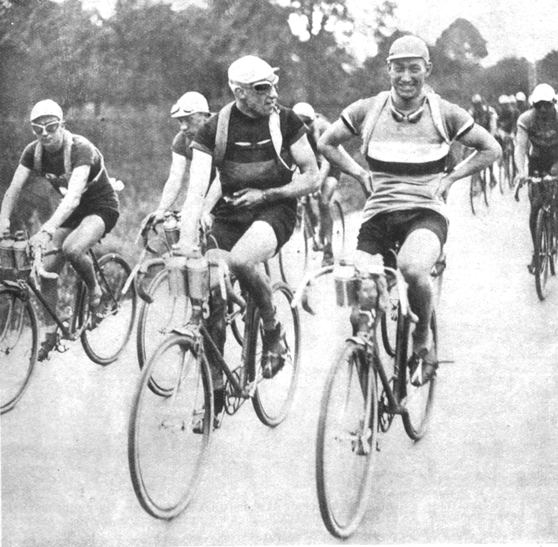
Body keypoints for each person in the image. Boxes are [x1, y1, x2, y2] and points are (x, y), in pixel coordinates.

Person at [318, 35, 501, 386]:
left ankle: (422, 341)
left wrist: (450, 179)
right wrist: (357, 172)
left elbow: (490, 148)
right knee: (362, 296)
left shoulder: (444, 112)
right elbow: (327, 141)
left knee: (413, 268)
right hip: (379, 214)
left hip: (425, 212)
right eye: (398, 68)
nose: (406, 77)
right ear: (388, 69)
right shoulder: (368, 109)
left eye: (414, 69)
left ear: (427, 70)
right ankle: (368, 377)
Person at [178, 55, 318, 427]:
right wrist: (186, 241)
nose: (273, 93)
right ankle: (217, 388)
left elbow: (311, 177)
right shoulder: (215, 129)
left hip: (276, 210)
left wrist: (267, 195)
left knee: (240, 261)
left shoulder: (285, 120)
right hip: (231, 215)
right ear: (238, 92)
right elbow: (195, 193)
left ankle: (272, 329)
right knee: (210, 294)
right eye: (262, 88)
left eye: (273, 84)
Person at [0, 99, 120, 360]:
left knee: (73, 249)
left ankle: (96, 291)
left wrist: (47, 228)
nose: (45, 134)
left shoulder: (80, 148)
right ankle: (51, 332)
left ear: (62, 125)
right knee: (45, 267)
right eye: (38, 129)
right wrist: (3, 221)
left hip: (100, 208)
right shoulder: (33, 152)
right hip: (70, 214)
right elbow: (13, 190)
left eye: (51, 127)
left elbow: (74, 197)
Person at [141, 92, 217, 231]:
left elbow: (223, 177)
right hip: (205, 193)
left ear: (204, 115)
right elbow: (175, 178)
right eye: (180, 121)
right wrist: (162, 210)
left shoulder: (221, 130)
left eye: (189, 120)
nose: (183, 127)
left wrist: (204, 210)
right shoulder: (181, 139)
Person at [514, 83, 558, 273]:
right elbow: (520, 147)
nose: (542, 109)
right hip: (538, 160)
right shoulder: (526, 119)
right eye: (538, 105)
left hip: (556, 158)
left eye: (546, 105)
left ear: (553, 103)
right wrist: (521, 171)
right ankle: (537, 252)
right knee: (536, 206)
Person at [292, 102, 342, 266]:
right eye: (300, 123)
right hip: (312, 163)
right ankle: (311, 219)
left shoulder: (322, 128)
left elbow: (326, 162)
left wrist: (317, 184)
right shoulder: (291, 130)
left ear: (313, 120)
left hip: (331, 163)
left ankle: (328, 251)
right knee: (301, 195)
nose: (304, 127)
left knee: (324, 200)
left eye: (308, 122)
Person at [469, 93, 499, 187]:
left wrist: (491, 137)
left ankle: (491, 174)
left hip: (488, 132)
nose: (476, 106)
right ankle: (476, 178)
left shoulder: (488, 110)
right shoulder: (471, 112)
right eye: (475, 104)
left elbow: (493, 124)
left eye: (478, 104)